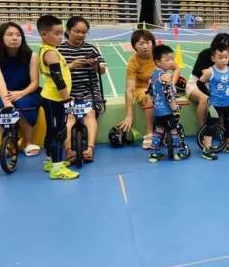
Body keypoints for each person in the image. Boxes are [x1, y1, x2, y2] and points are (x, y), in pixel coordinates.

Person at [118, 29, 180, 149]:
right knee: (149, 96)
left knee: (170, 100)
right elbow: (129, 90)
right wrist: (129, 115)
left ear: (152, 43)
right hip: (142, 88)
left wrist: (172, 84)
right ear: (134, 46)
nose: (145, 46)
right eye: (141, 43)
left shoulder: (158, 56)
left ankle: (169, 130)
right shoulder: (133, 62)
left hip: (161, 85)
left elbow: (176, 68)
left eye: (148, 42)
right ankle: (150, 134)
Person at [57, 16, 106, 162]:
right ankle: (69, 150)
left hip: (89, 90)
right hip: (68, 92)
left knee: (90, 113)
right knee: (69, 116)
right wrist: (71, 66)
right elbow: (54, 73)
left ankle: (90, 148)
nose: (80, 35)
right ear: (68, 31)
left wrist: (95, 65)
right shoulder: (59, 50)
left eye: (84, 32)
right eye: (76, 31)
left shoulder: (91, 48)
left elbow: (102, 70)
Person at [37, 15, 79, 180]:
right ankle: (57, 168)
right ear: (44, 34)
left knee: (51, 131)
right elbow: (58, 78)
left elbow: (59, 71)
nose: (61, 37)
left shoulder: (47, 50)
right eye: (57, 34)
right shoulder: (51, 53)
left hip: (50, 97)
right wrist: (67, 100)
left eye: (62, 33)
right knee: (58, 132)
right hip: (55, 99)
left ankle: (50, 161)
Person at [0, 22, 41, 159]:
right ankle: (4, 144)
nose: (14, 38)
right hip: (1, 91)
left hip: (26, 91)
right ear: (1, 38)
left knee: (23, 105)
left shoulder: (32, 56)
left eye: (18, 35)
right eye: (9, 35)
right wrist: (7, 102)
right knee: (1, 108)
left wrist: (21, 93)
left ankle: (28, 142)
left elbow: (35, 83)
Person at [197, 40, 229, 159]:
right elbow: (199, 83)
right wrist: (208, 95)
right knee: (211, 126)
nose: (224, 60)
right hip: (215, 105)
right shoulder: (210, 71)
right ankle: (207, 148)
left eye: (226, 57)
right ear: (213, 58)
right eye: (220, 57)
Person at [188, 33, 229, 146]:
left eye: (228, 46)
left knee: (225, 101)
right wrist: (210, 94)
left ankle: (224, 134)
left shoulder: (228, 57)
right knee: (205, 99)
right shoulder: (205, 54)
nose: (225, 48)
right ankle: (203, 131)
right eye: (223, 44)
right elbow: (202, 80)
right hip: (197, 83)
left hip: (215, 85)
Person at [148, 45, 182, 163]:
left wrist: (156, 103)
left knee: (158, 132)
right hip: (167, 111)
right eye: (167, 60)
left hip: (158, 110)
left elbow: (150, 91)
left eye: (172, 59)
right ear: (158, 62)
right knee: (174, 132)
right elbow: (169, 93)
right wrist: (174, 107)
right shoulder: (166, 76)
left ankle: (154, 154)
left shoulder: (154, 74)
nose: (171, 62)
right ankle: (176, 153)